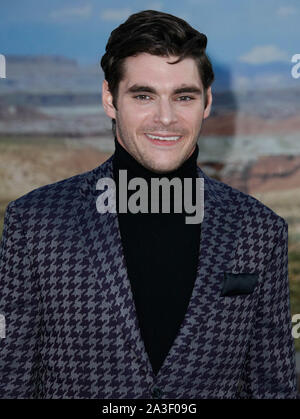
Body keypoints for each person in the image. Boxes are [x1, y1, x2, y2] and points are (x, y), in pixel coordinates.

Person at [0, 9, 298, 399]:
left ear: (206, 102)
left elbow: (274, 388)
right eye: (143, 95)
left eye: (183, 96)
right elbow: (10, 382)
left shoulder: (260, 231)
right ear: (110, 98)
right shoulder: (35, 223)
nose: (166, 118)